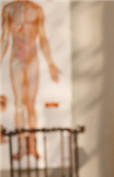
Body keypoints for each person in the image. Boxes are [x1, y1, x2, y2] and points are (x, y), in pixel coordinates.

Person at [0, 0, 60, 159]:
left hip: (32, 60)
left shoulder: (36, 10)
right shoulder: (8, 9)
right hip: (16, 61)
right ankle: (21, 147)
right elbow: (4, 39)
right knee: (19, 103)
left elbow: (42, 39)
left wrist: (51, 64)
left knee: (30, 104)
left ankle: (32, 145)